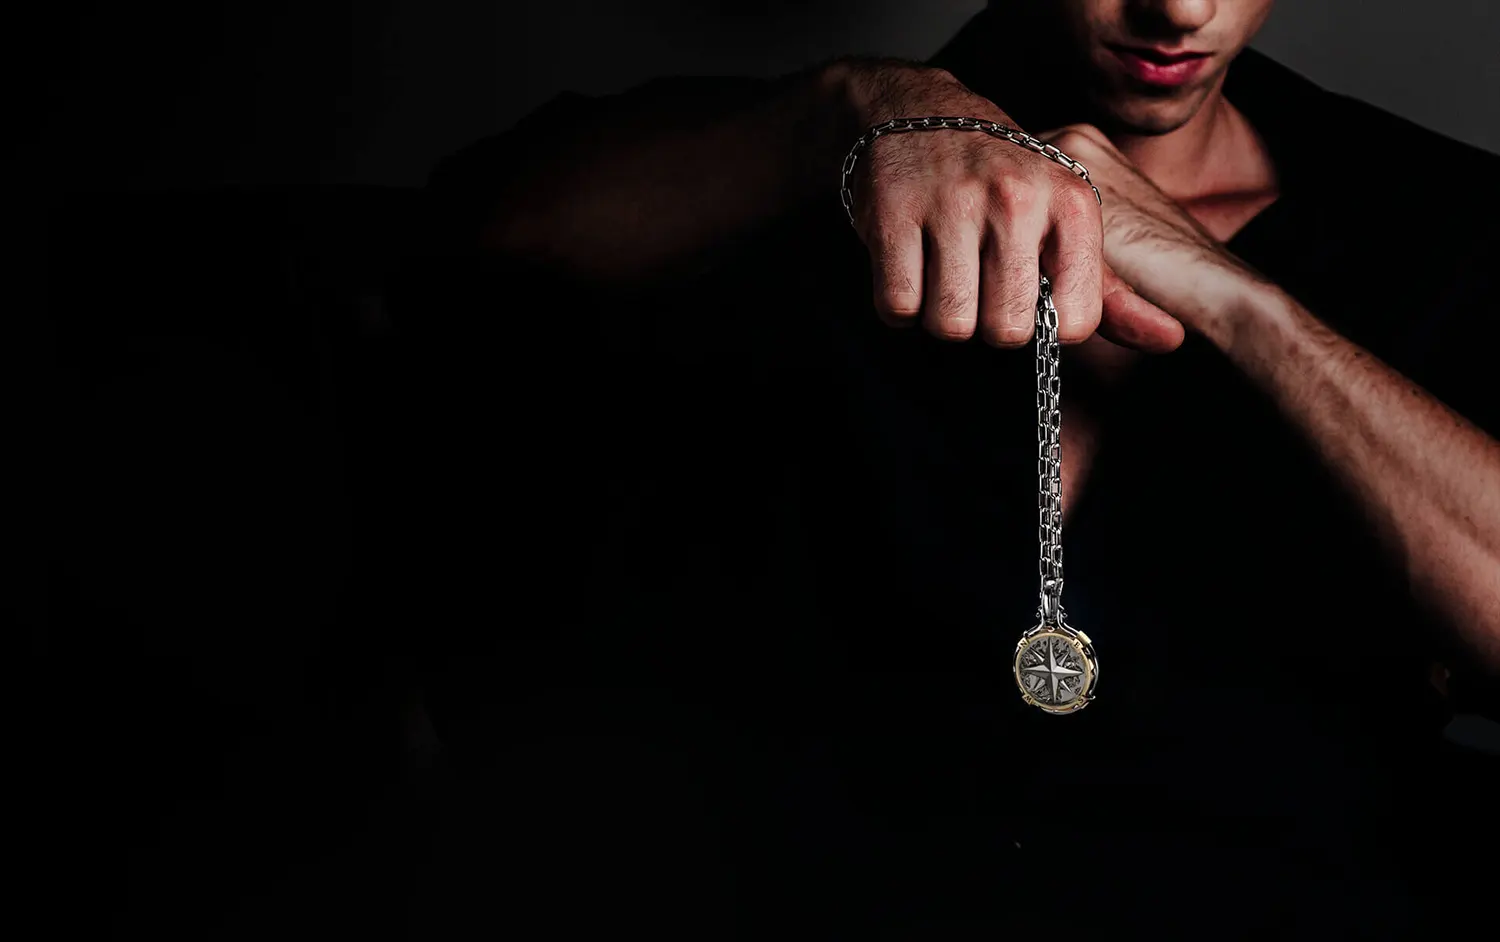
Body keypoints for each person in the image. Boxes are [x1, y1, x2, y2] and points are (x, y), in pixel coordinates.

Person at [410, 1, 1500, 936]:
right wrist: (854, 112)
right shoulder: (790, 167)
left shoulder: (1439, 222)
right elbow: (468, 246)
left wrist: (1235, 299)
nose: (1179, 9)